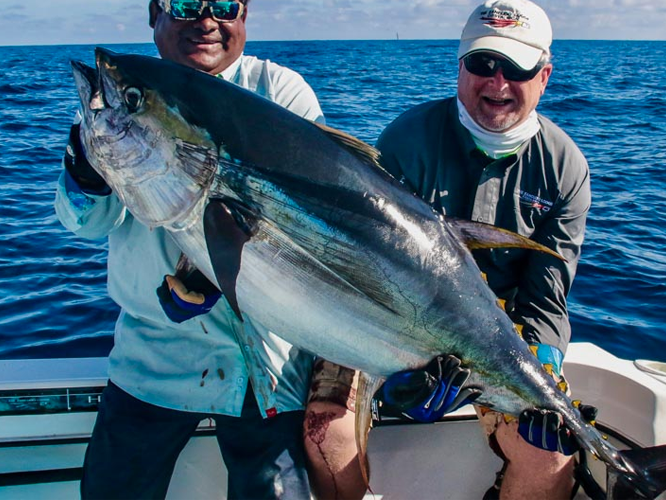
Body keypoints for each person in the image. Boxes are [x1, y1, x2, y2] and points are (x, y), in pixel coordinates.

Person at [55, 1, 330, 498]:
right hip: (153, 357)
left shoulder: (280, 92)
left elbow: (310, 221)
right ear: (153, 15)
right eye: (184, 4)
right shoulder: (125, 104)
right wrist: (84, 172)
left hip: (267, 363)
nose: (206, 21)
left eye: (225, 5)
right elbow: (86, 223)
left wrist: (212, 275)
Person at [373, 0, 592, 498]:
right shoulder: (405, 141)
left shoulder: (565, 168)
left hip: (500, 340)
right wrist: (396, 367)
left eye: (517, 68)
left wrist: (542, 362)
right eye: (482, 64)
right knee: (327, 429)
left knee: (552, 458)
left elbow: (544, 299)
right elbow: (374, 270)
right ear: (460, 67)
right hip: (392, 322)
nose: (497, 84)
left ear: (545, 76)